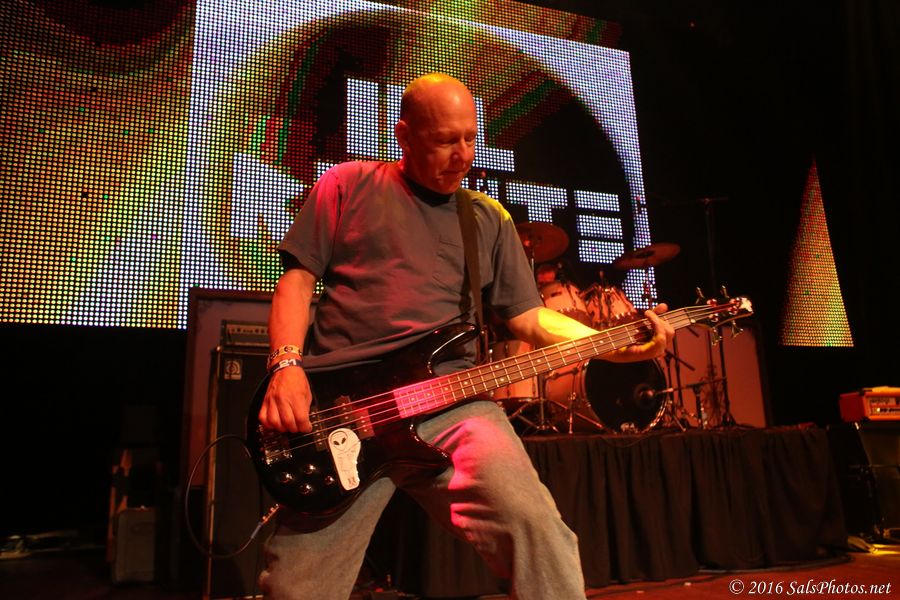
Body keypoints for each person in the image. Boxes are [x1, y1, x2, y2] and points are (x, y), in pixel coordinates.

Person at [256, 73, 674, 600]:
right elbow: (296, 282)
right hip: (347, 410)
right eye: (445, 141)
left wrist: (615, 343)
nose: (463, 155)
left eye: (471, 138)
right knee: (297, 587)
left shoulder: (486, 217)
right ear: (404, 136)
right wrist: (286, 366)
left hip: (452, 406)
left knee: (538, 533)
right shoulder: (347, 184)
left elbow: (530, 318)